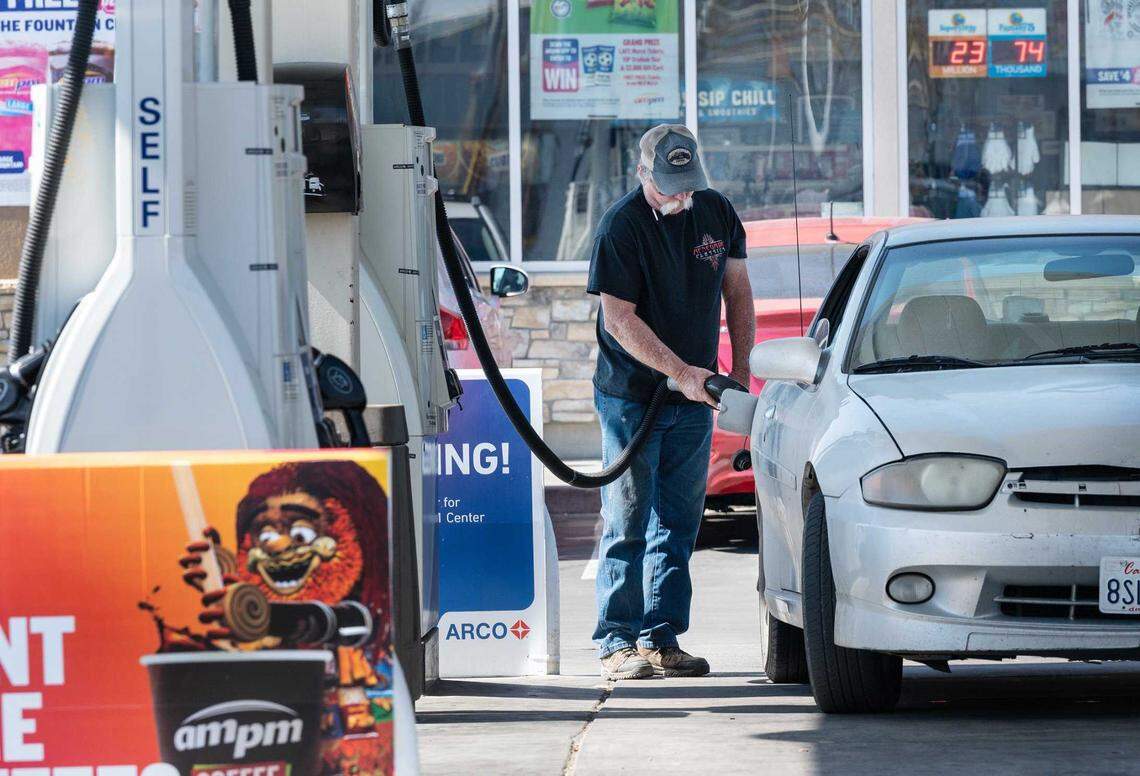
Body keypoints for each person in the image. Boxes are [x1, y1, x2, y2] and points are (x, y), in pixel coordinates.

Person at [587, 124, 755, 680]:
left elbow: (737, 290)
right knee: (627, 519)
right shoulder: (622, 226)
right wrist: (680, 372)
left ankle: (661, 636)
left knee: (680, 521)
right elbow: (618, 318)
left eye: (687, 184)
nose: (679, 196)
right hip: (632, 397)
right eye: (668, 186)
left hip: (695, 395)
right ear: (642, 175)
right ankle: (615, 640)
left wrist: (742, 369)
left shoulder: (717, 212)